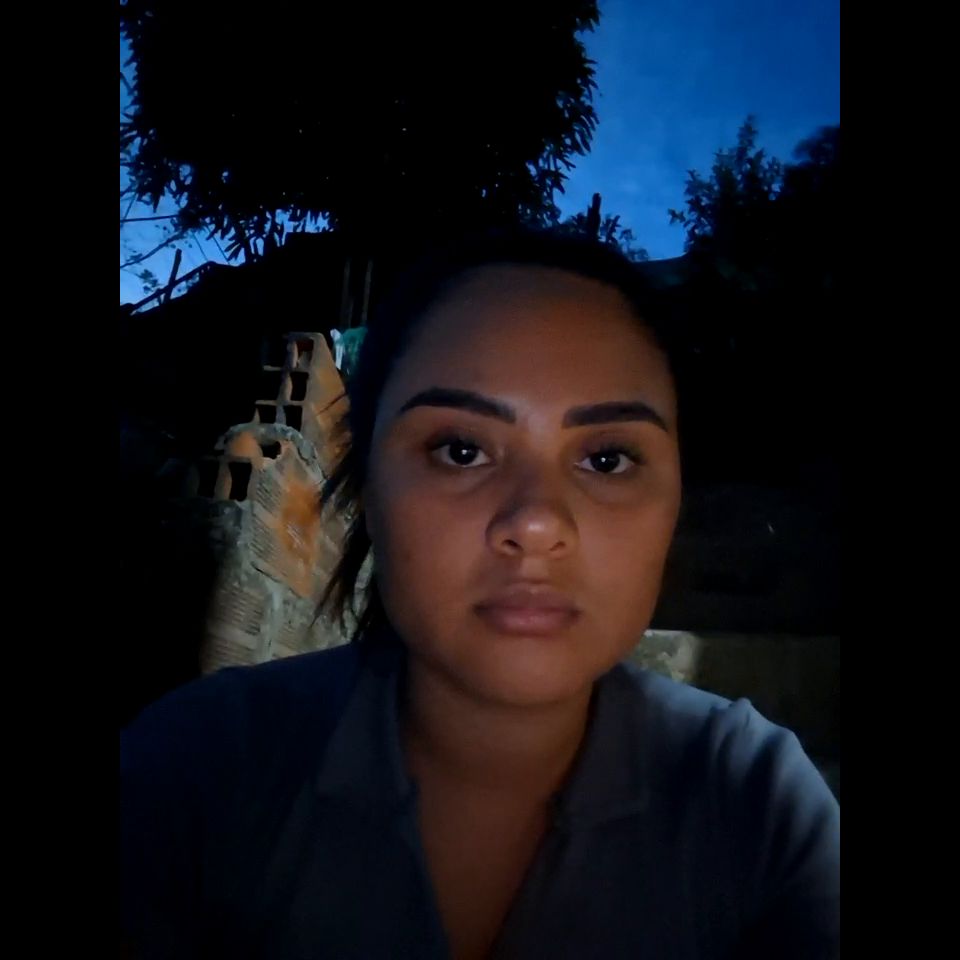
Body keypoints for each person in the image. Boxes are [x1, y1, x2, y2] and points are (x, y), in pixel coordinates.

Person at [121, 229, 840, 959]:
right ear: (367, 489)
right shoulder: (194, 769)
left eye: (607, 458)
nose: (536, 522)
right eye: (460, 450)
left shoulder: (757, 801)